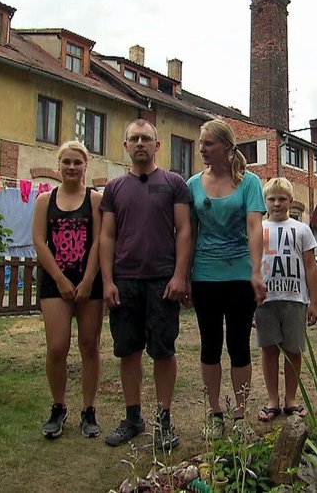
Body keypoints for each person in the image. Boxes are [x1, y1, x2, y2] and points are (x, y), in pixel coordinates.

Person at [99, 119, 192, 450]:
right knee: (128, 350)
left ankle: (164, 420)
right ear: (125, 145)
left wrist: (180, 276)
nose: (140, 143)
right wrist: (108, 280)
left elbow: (184, 231)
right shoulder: (114, 189)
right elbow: (107, 236)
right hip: (125, 281)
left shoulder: (173, 183)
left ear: (158, 145)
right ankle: (133, 417)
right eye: (134, 138)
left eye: (146, 138)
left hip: (163, 282)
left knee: (163, 351)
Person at [187, 119, 267, 438]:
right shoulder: (193, 184)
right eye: (201, 142)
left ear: (227, 147)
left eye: (208, 143)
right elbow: (190, 233)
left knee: (238, 345)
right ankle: (215, 414)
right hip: (204, 276)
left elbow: (254, 229)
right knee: (209, 345)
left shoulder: (249, 182)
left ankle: (239, 415)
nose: (202, 148)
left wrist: (257, 272)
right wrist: (184, 274)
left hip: (239, 276)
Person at [32, 140, 104, 439]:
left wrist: (87, 280)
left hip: (90, 282)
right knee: (57, 347)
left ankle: (88, 410)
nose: (72, 167)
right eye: (67, 162)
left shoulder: (96, 200)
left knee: (89, 346)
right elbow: (39, 241)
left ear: (86, 165)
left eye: (77, 162)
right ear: (58, 166)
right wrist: (61, 280)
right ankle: (59, 406)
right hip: (54, 283)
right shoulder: (44, 201)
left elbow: (101, 241)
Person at [255, 177, 317, 422]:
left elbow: (311, 267)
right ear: (265, 201)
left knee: (293, 350)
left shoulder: (302, 229)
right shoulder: (258, 228)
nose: (277, 203)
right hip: (265, 300)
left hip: (295, 299)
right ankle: (273, 400)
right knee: (269, 350)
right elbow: (252, 264)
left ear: (291, 201)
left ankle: (290, 399)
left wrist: (313, 302)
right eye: (272, 199)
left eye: (282, 199)